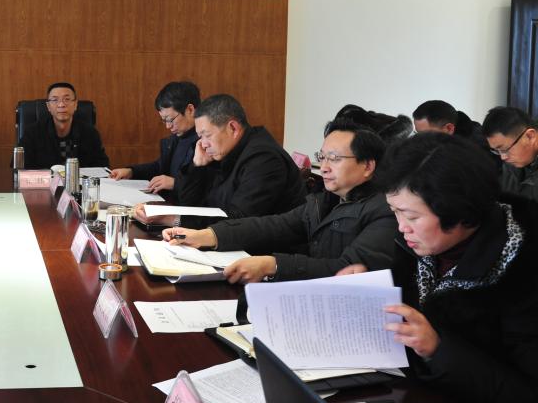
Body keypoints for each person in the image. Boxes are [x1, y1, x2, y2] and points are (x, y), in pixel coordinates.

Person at [342, 133, 538, 403]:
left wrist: (438, 349)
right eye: (395, 212)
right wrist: (373, 287)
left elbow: (527, 402)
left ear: (459, 212)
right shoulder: (423, 244)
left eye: (411, 216)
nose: (401, 227)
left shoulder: (524, 270)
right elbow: (412, 296)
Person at [164, 119, 394, 283]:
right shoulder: (327, 200)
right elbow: (275, 225)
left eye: (334, 159)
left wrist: (272, 265)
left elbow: (346, 269)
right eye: (322, 157)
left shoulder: (386, 211)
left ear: (367, 165)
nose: (323, 167)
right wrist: (208, 235)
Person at [170, 94, 305, 227]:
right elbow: (189, 204)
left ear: (233, 128)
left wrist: (176, 220)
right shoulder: (223, 151)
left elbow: (240, 220)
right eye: (200, 137)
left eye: (207, 135)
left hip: (267, 241)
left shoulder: (264, 159)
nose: (203, 144)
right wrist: (197, 166)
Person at [110, 81, 199, 201]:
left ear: (190, 110)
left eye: (170, 119)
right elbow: (160, 167)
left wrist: (175, 183)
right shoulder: (176, 139)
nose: (168, 126)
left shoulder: (206, 143)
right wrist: (131, 172)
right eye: (164, 120)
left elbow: (207, 186)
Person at [19, 82, 110, 169]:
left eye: (67, 99)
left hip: (79, 180)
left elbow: (102, 167)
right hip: (44, 180)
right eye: (55, 100)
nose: (61, 104)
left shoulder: (90, 133)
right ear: (48, 106)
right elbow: (20, 167)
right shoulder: (32, 133)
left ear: (75, 104)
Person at [482, 105, 538, 202]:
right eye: (496, 151)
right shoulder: (511, 166)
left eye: (505, 149)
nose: (503, 157)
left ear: (530, 136)